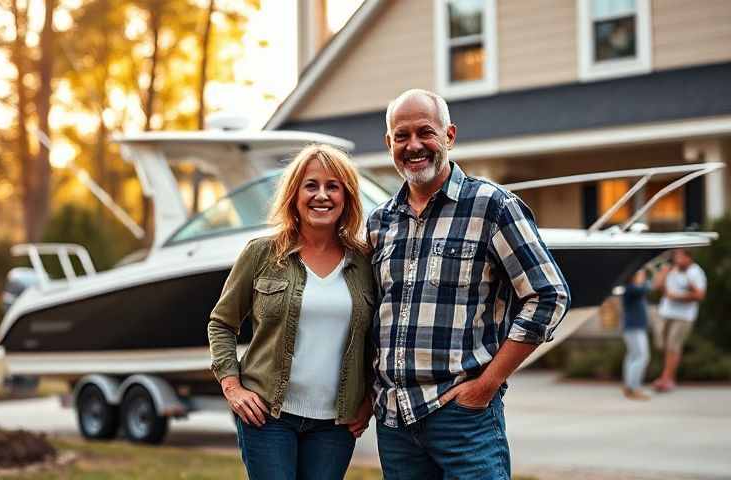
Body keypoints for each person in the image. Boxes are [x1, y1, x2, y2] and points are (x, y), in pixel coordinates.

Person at [367, 89, 570, 480]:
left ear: (449, 135)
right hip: (394, 422)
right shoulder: (380, 223)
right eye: (401, 136)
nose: (414, 146)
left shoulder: (492, 206)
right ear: (389, 143)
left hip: (464, 417)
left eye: (425, 132)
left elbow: (548, 295)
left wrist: (487, 385)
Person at [207, 144, 375, 480]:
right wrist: (233, 387)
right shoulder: (261, 253)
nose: (322, 195)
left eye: (333, 186)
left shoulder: (365, 262)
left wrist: (369, 397)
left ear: (347, 197)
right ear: (294, 194)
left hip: (335, 425)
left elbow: (378, 339)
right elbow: (221, 323)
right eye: (311, 185)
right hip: (268, 417)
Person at [651, 248, 706, 392]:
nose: (677, 259)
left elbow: (699, 295)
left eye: (680, 256)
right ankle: (667, 377)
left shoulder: (695, 272)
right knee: (662, 345)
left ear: (689, 258)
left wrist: (678, 297)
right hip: (666, 312)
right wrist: (663, 273)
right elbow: (656, 286)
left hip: (683, 316)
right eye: (676, 256)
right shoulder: (671, 269)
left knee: (672, 346)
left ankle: (666, 379)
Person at [621, 269, 651, 400]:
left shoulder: (632, 289)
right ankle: (634, 388)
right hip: (634, 328)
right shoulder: (632, 289)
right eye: (640, 274)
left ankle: (629, 386)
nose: (643, 276)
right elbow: (647, 288)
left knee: (633, 357)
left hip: (634, 328)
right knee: (641, 356)